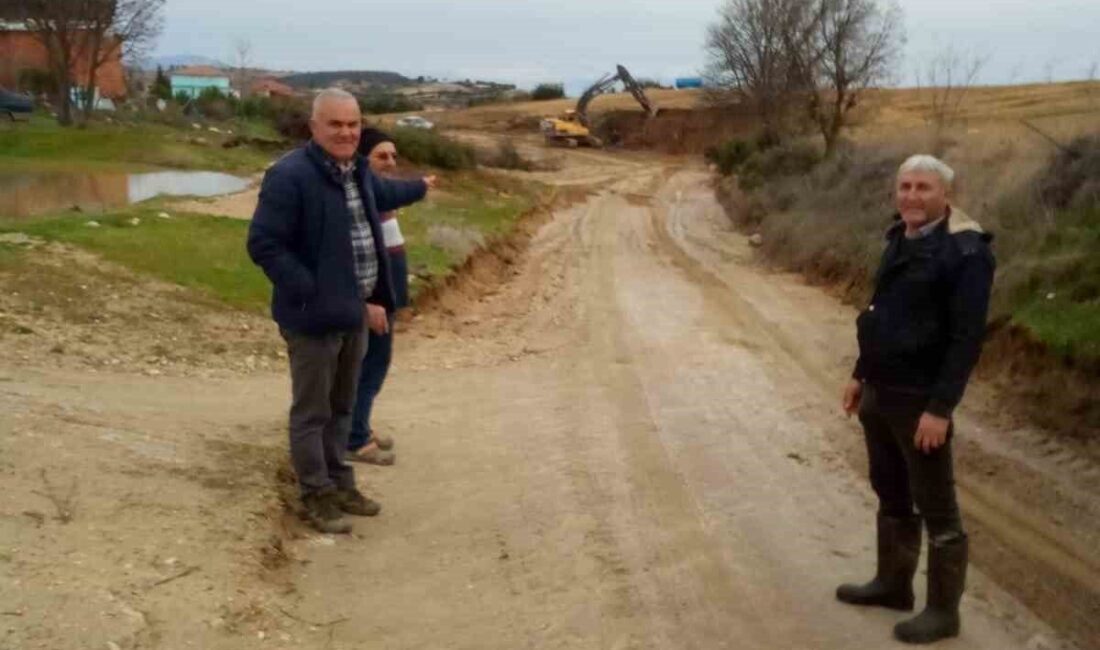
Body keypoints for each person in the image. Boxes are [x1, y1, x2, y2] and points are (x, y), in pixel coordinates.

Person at [247, 88, 435, 534]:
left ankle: (340, 483)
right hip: (312, 317)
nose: (346, 132)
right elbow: (263, 244)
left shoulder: (357, 173)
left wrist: (421, 187)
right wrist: (311, 292)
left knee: (342, 409)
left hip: (354, 312)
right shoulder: (290, 175)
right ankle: (316, 495)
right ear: (314, 127)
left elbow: (388, 194)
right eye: (335, 124)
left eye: (353, 125)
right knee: (312, 413)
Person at [836, 154, 995, 644]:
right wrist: (862, 373)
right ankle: (893, 584)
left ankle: (943, 613)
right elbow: (880, 311)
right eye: (905, 186)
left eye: (923, 188)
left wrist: (940, 409)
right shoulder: (898, 237)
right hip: (882, 390)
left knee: (938, 507)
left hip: (921, 400)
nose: (911, 196)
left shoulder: (966, 252)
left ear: (946, 194)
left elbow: (966, 339)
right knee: (890, 490)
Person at [346, 128, 407, 465]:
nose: (391, 163)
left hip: (384, 299)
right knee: (370, 365)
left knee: (372, 364)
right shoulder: (361, 200)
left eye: (393, 156)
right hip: (372, 302)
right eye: (381, 156)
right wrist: (371, 303)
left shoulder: (376, 197)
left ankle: (359, 427)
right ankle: (354, 438)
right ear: (362, 159)